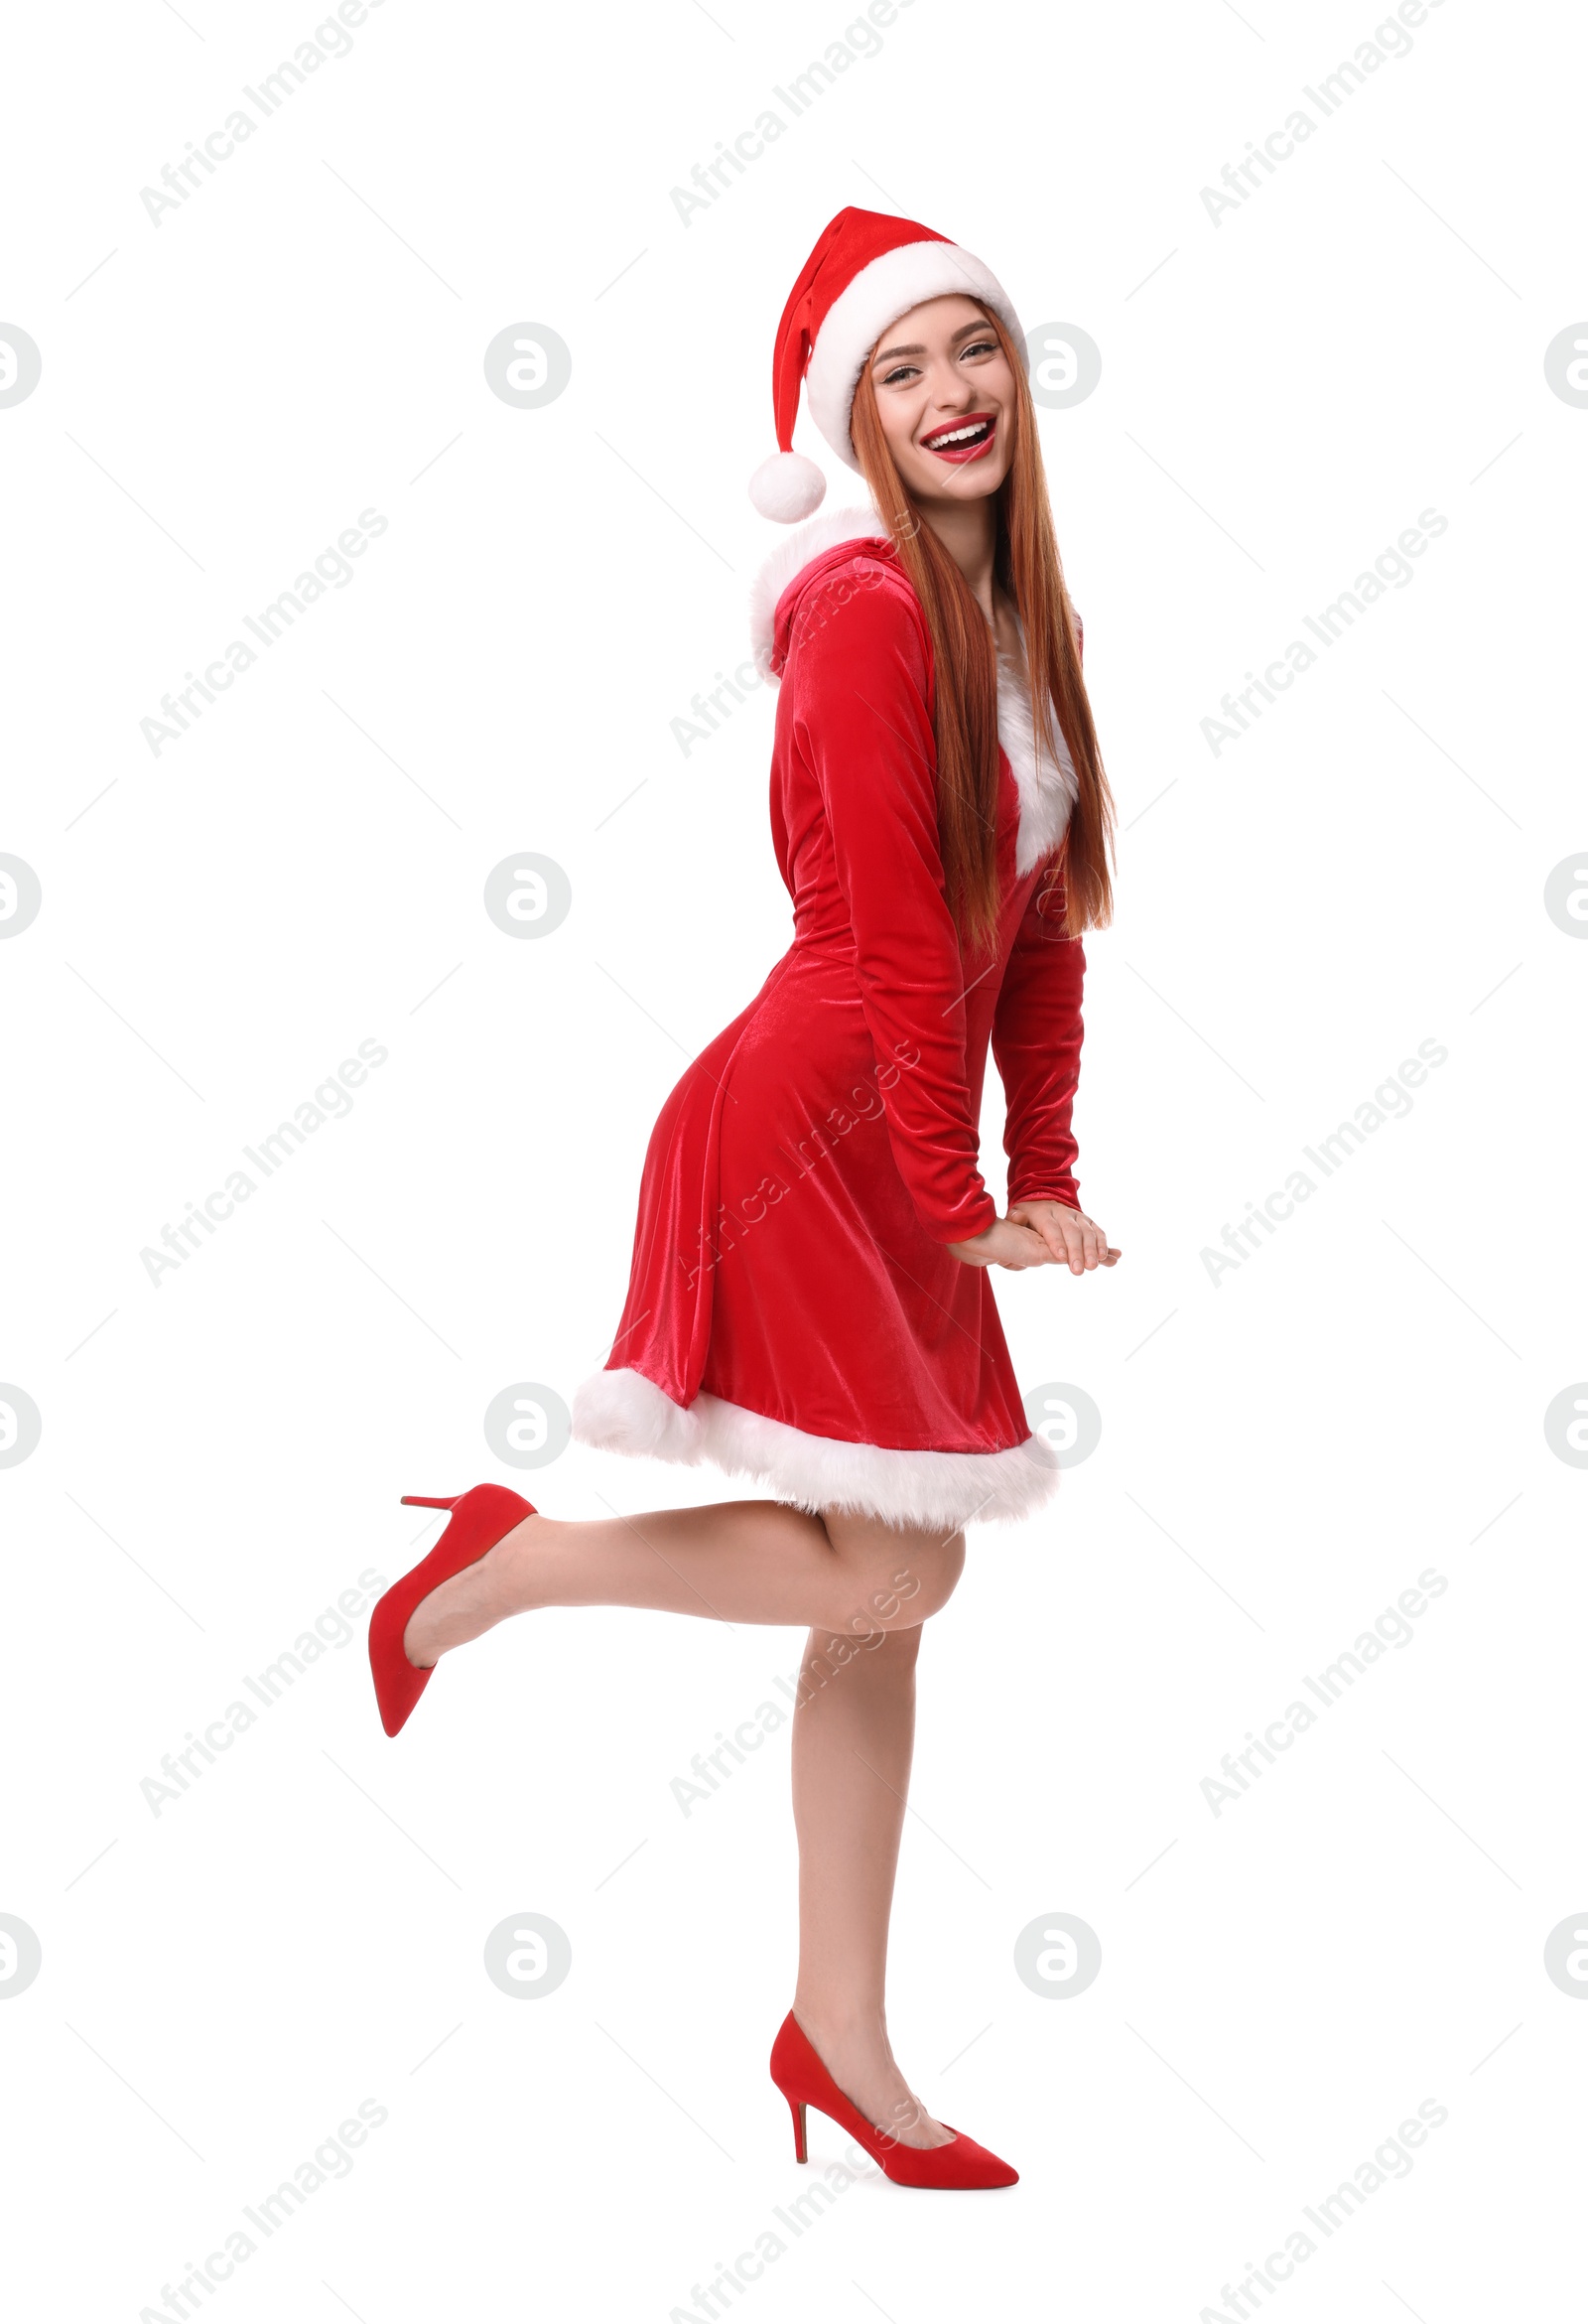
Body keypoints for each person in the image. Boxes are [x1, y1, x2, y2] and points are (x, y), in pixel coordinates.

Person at [369, 206, 1119, 2192]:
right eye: (902, 367)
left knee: (882, 1609)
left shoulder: (1011, 626)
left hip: (898, 1120)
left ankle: (841, 2040)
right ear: (849, 417)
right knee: (892, 1568)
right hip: (811, 1115)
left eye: (974, 350)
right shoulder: (869, 609)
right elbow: (886, 923)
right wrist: (951, 1178)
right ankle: (507, 1567)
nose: (953, 391)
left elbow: (1034, 945)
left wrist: (1038, 1173)